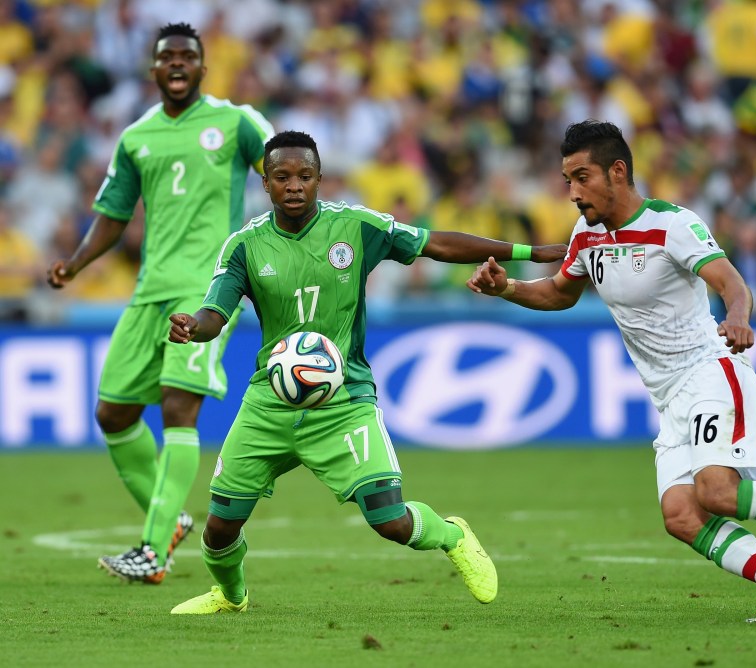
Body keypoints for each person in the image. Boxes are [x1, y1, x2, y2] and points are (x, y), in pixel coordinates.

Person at [466, 120, 756, 623]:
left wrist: (737, 318)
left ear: (618, 170)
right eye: (567, 180)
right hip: (669, 397)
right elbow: (560, 293)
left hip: (711, 371)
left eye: (581, 177)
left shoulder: (673, 223)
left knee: (716, 491)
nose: (572, 192)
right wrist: (507, 288)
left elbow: (730, 282)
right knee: (681, 515)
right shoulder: (586, 235)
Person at [166, 130, 567, 614]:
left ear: (320, 180)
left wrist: (525, 253)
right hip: (269, 402)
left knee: (391, 520)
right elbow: (216, 313)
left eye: (305, 176)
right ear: (266, 184)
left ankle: (453, 534)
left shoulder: (356, 227)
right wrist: (194, 326)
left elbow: (433, 243)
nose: (294, 186)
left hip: (343, 400)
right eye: (282, 177)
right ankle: (232, 597)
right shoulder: (246, 246)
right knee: (219, 528)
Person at [47, 23, 275, 584]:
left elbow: (287, 169)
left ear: (203, 68)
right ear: (152, 69)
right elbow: (114, 213)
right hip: (150, 289)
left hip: (206, 289)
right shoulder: (136, 138)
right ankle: (170, 521)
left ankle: (153, 550)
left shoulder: (237, 121)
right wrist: (77, 261)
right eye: (166, 56)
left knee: (178, 405)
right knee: (113, 412)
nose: (176, 64)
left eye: (187, 56)